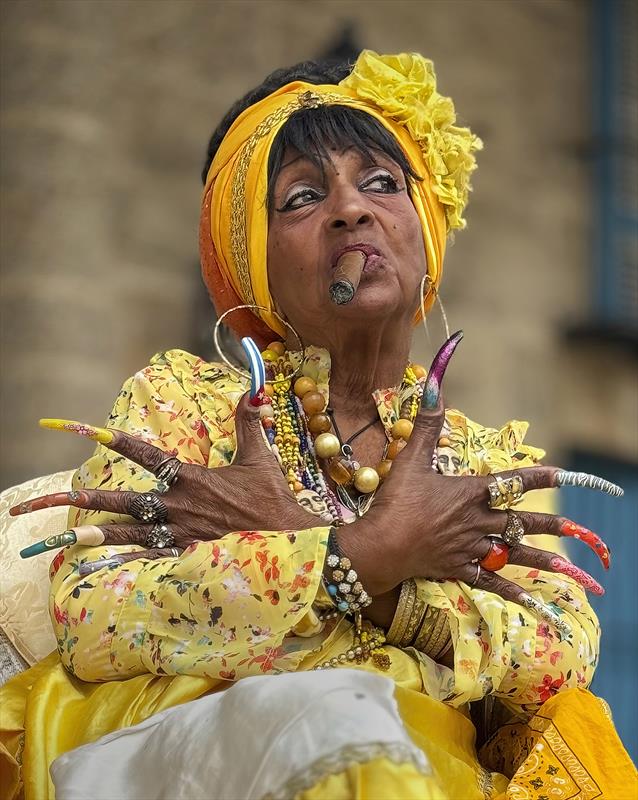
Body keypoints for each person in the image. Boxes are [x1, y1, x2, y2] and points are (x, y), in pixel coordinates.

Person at [1, 51, 635, 799]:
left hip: (435, 773)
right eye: (301, 197)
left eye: (382, 183)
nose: (350, 210)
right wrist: (362, 553)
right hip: (214, 761)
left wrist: (355, 567)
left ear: (426, 231)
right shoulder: (183, 405)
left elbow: (561, 652)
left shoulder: (482, 459)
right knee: (337, 717)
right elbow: (94, 614)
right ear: (252, 261)